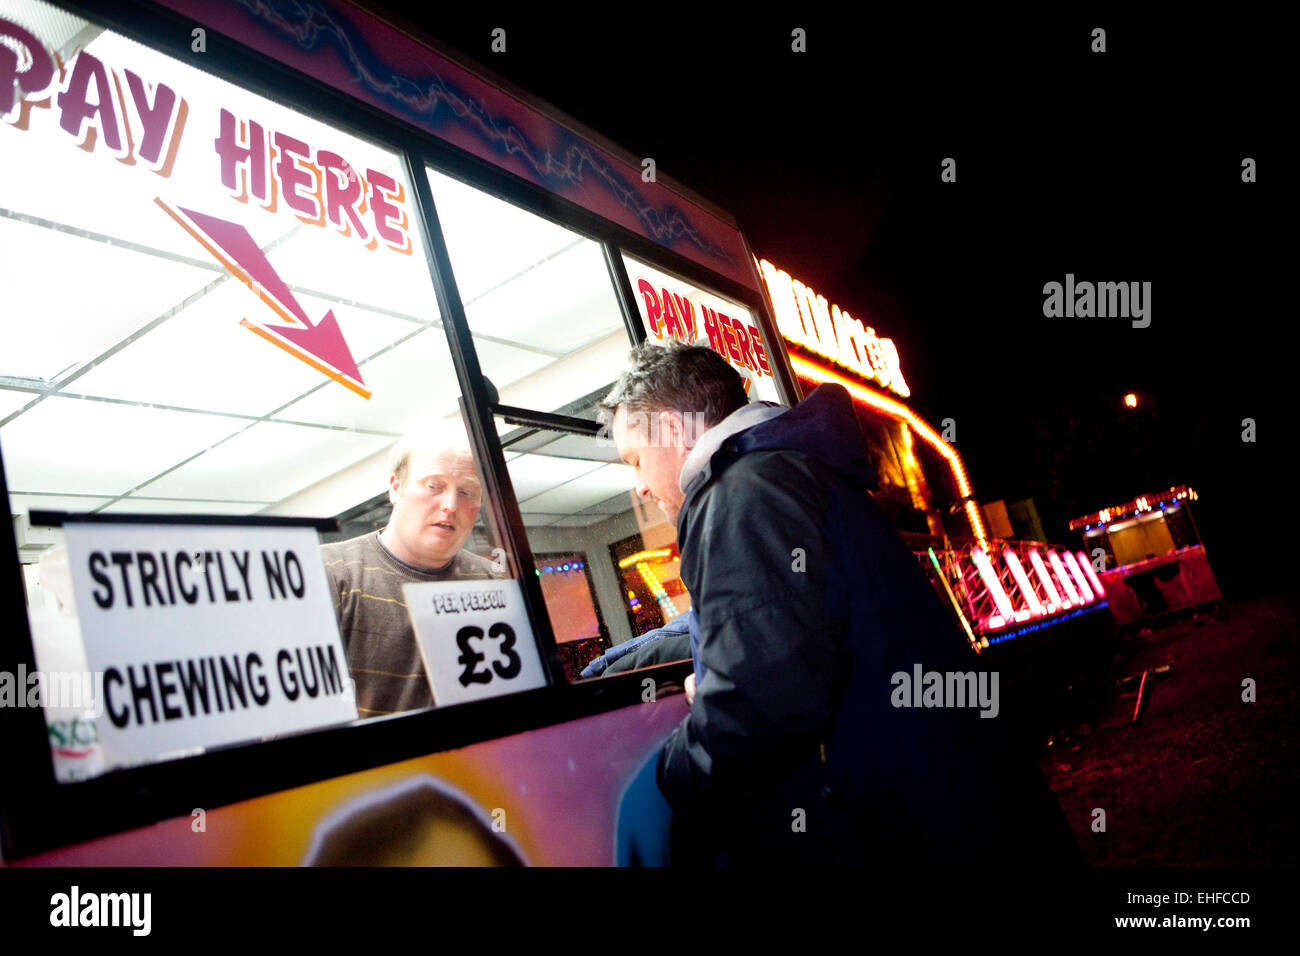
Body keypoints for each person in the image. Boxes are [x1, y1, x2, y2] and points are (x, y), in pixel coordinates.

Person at [600, 340, 1081, 865]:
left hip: (902, 828)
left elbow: (765, 699)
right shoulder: (787, 469)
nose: (641, 485)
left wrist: (668, 777)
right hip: (956, 805)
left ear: (672, 428)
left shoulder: (742, 494)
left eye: (636, 460)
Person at [321, 421, 501, 717]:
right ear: (396, 487)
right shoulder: (328, 574)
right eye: (434, 486)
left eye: (467, 492)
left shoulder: (496, 581)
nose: (450, 505)